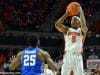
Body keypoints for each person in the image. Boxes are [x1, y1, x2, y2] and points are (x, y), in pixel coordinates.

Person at [55, 2, 88, 75]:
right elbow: (57, 25)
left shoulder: (81, 31)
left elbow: (84, 27)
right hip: (68, 56)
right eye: (72, 19)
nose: (73, 19)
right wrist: (66, 14)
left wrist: (81, 12)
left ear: (79, 23)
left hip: (77, 56)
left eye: (75, 19)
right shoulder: (67, 30)